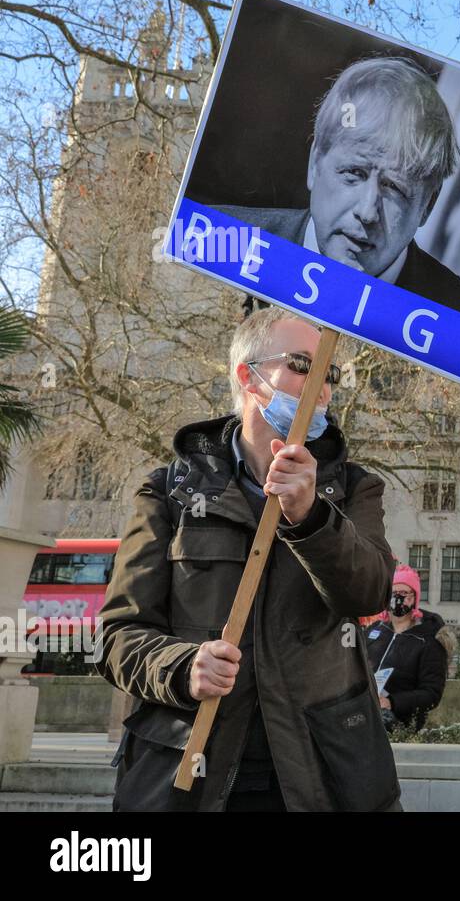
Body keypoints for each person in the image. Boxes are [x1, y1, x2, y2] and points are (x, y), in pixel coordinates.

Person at [96, 305, 400, 811]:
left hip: (319, 774)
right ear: (249, 376)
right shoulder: (168, 491)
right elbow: (117, 636)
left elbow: (368, 593)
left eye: (330, 373)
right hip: (192, 771)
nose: (321, 386)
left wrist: (310, 517)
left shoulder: (353, 489)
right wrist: (181, 665)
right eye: (303, 365)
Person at [217, 56, 460, 334]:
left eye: (395, 189)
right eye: (353, 173)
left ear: (428, 206)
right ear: (314, 164)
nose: (367, 211)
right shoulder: (214, 239)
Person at [365, 564, 454, 730]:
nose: (398, 598)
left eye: (404, 593)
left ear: (415, 598)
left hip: (399, 724)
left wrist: (392, 702)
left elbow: (431, 693)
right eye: (393, 593)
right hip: (364, 716)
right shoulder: (374, 631)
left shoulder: (429, 639)